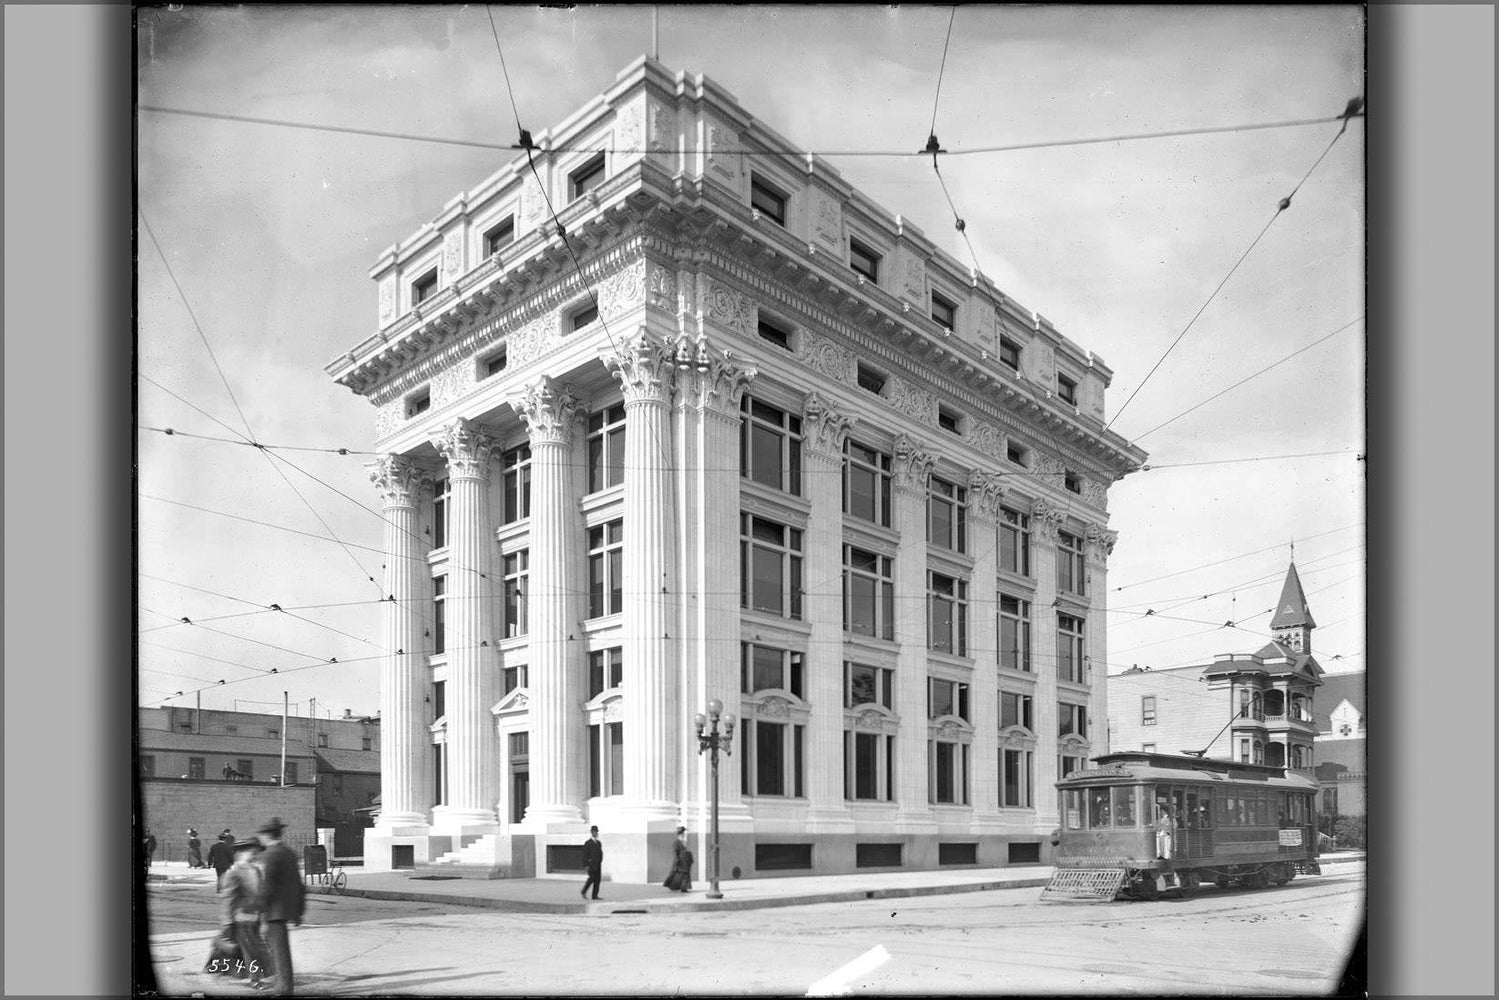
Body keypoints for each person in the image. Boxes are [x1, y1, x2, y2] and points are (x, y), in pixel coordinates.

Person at [256, 817, 305, 996]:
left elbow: (266, 887)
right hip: (285, 910)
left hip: (273, 911)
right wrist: (299, 911)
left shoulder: (269, 855)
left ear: (268, 835)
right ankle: (283, 985)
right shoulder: (289, 853)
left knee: (279, 952)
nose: (260, 838)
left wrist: (260, 912)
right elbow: (299, 885)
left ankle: (283, 988)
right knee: (279, 949)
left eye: (261, 835)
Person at [215, 839, 272, 990]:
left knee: (256, 949)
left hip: (256, 917)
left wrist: (264, 918)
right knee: (250, 951)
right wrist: (227, 922)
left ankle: (245, 974)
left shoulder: (257, 870)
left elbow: (262, 895)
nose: (255, 855)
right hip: (241, 919)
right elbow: (228, 899)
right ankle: (255, 979)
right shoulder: (234, 872)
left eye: (256, 852)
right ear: (241, 853)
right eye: (252, 852)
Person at [663, 826, 693, 893]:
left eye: (683, 834)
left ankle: (683, 888)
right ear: (679, 835)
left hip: (684, 861)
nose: (683, 835)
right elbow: (676, 852)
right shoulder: (676, 842)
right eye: (682, 834)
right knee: (679, 874)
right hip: (680, 861)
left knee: (684, 875)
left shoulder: (682, 842)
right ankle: (674, 886)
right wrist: (677, 861)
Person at [580, 826, 603, 900]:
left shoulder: (598, 843)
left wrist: (600, 861)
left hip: (598, 865)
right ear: (591, 832)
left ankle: (595, 895)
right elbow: (585, 855)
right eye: (594, 831)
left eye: (596, 832)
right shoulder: (588, 843)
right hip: (591, 865)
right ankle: (584, 891)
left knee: (597, 880)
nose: (596, 833)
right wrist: (586, 865)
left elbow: (600, 853)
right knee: (591, 879)